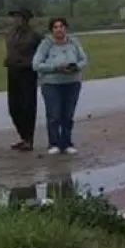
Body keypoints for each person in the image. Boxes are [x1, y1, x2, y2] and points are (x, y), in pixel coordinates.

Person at [32, 17, 88, 155]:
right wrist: (56, 67)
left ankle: (67, 142)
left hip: (72, 82)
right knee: (54, 114)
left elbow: (83, 59)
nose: (59, 29)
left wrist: (76, 67)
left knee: (68, 115)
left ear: (66, 28)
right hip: (52, 83)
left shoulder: (74, 42)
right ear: (51, 30)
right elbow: (36, 64)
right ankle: (54, 143)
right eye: (56, 27)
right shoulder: (46, 44)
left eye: (61, 26)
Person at [5, 8, 43, 151]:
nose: (15, 20)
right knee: (13, 107)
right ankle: (23, 136)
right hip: (12, 71)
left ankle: (29, 138)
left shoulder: (35, 35)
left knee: (27, 106)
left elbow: (42, 52)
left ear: (25, 19)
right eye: (14, 17)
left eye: (18, 17)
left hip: (27, 72)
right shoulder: (10, 33)